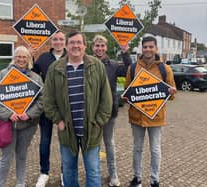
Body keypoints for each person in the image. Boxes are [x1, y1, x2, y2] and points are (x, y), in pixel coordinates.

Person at [43, 30, 113, 187]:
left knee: (93, 170)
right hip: (67, 130)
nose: (75, 46)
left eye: (78, 42)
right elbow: (47, 99)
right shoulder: (55, 68)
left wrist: (99, 122)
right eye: (72, 43)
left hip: (91, 129)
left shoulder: (97, 66)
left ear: (85, 46)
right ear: (66, 46)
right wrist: (58, 121)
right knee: (68, 170)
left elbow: (106, 99)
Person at [124, 36, 177, 187]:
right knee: (137, 149)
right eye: (145, 47)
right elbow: (129, 91)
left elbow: (171, 95)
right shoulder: (133, 68)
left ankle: (155, 180)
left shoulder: (165, 69)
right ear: (142, 49)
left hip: (156, 117)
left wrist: (172, 93)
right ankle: (137, 178)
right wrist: (126, 97)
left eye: (150, 47)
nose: (148, 49)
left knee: (155, 150)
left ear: (156, 48)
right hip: (137, 116)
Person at [0, 45, 43, 187]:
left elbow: (42, 100)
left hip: (27, 125)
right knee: (6, 158)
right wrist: (8, 114)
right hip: (8, 125)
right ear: (14, 58)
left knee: (22, 156)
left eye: (24, 57)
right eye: (18, 56)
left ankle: (21, 184)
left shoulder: (36, 78)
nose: (21, 59)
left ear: (29, 59)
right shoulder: (3, 75)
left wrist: (29, 114)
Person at [91, 34, 132, 187]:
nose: (100, 48)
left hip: (109, 112)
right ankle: (94, 175)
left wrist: (125, 52)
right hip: (92, 113)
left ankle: (113, 174)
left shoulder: (113, 65)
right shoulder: (87, 63)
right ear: (92, 47)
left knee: (109, 144)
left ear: (106, 48)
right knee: (93, 146)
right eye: (97, 46)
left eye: (102, 46)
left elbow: (128, 69)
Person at [32, 30, 67, 187]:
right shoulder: (43, 58)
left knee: (64, 142)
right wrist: (30, 57)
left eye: (61, 39)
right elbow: (31, 77)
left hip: (65, 108)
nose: (58, 42)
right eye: (55, 39)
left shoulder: (70, 57)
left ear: (65, 41)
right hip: (47, 107)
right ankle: (44, 173)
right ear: (51, 42)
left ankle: (64, 172)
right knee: (45, 141)